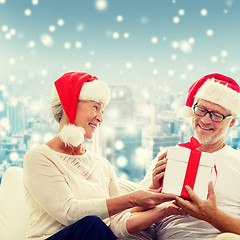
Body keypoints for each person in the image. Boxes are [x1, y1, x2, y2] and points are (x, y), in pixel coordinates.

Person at [23, 72, 185, 240]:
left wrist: (166, 210)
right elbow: (69, 213)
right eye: (95, 107)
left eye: (102, 111)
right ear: (69, 104)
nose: (100, 118)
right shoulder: (39, 157)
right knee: (91, 225)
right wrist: (133, 199)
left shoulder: (102, 164)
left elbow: (116, 225)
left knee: (98, 227)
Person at [140, 73, 240, 240]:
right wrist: (153, 188)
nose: (205, 120)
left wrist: (211, 215)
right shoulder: (168, 156)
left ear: (231, 122)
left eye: (217, 115)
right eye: (201, 110)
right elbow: (129, 215)